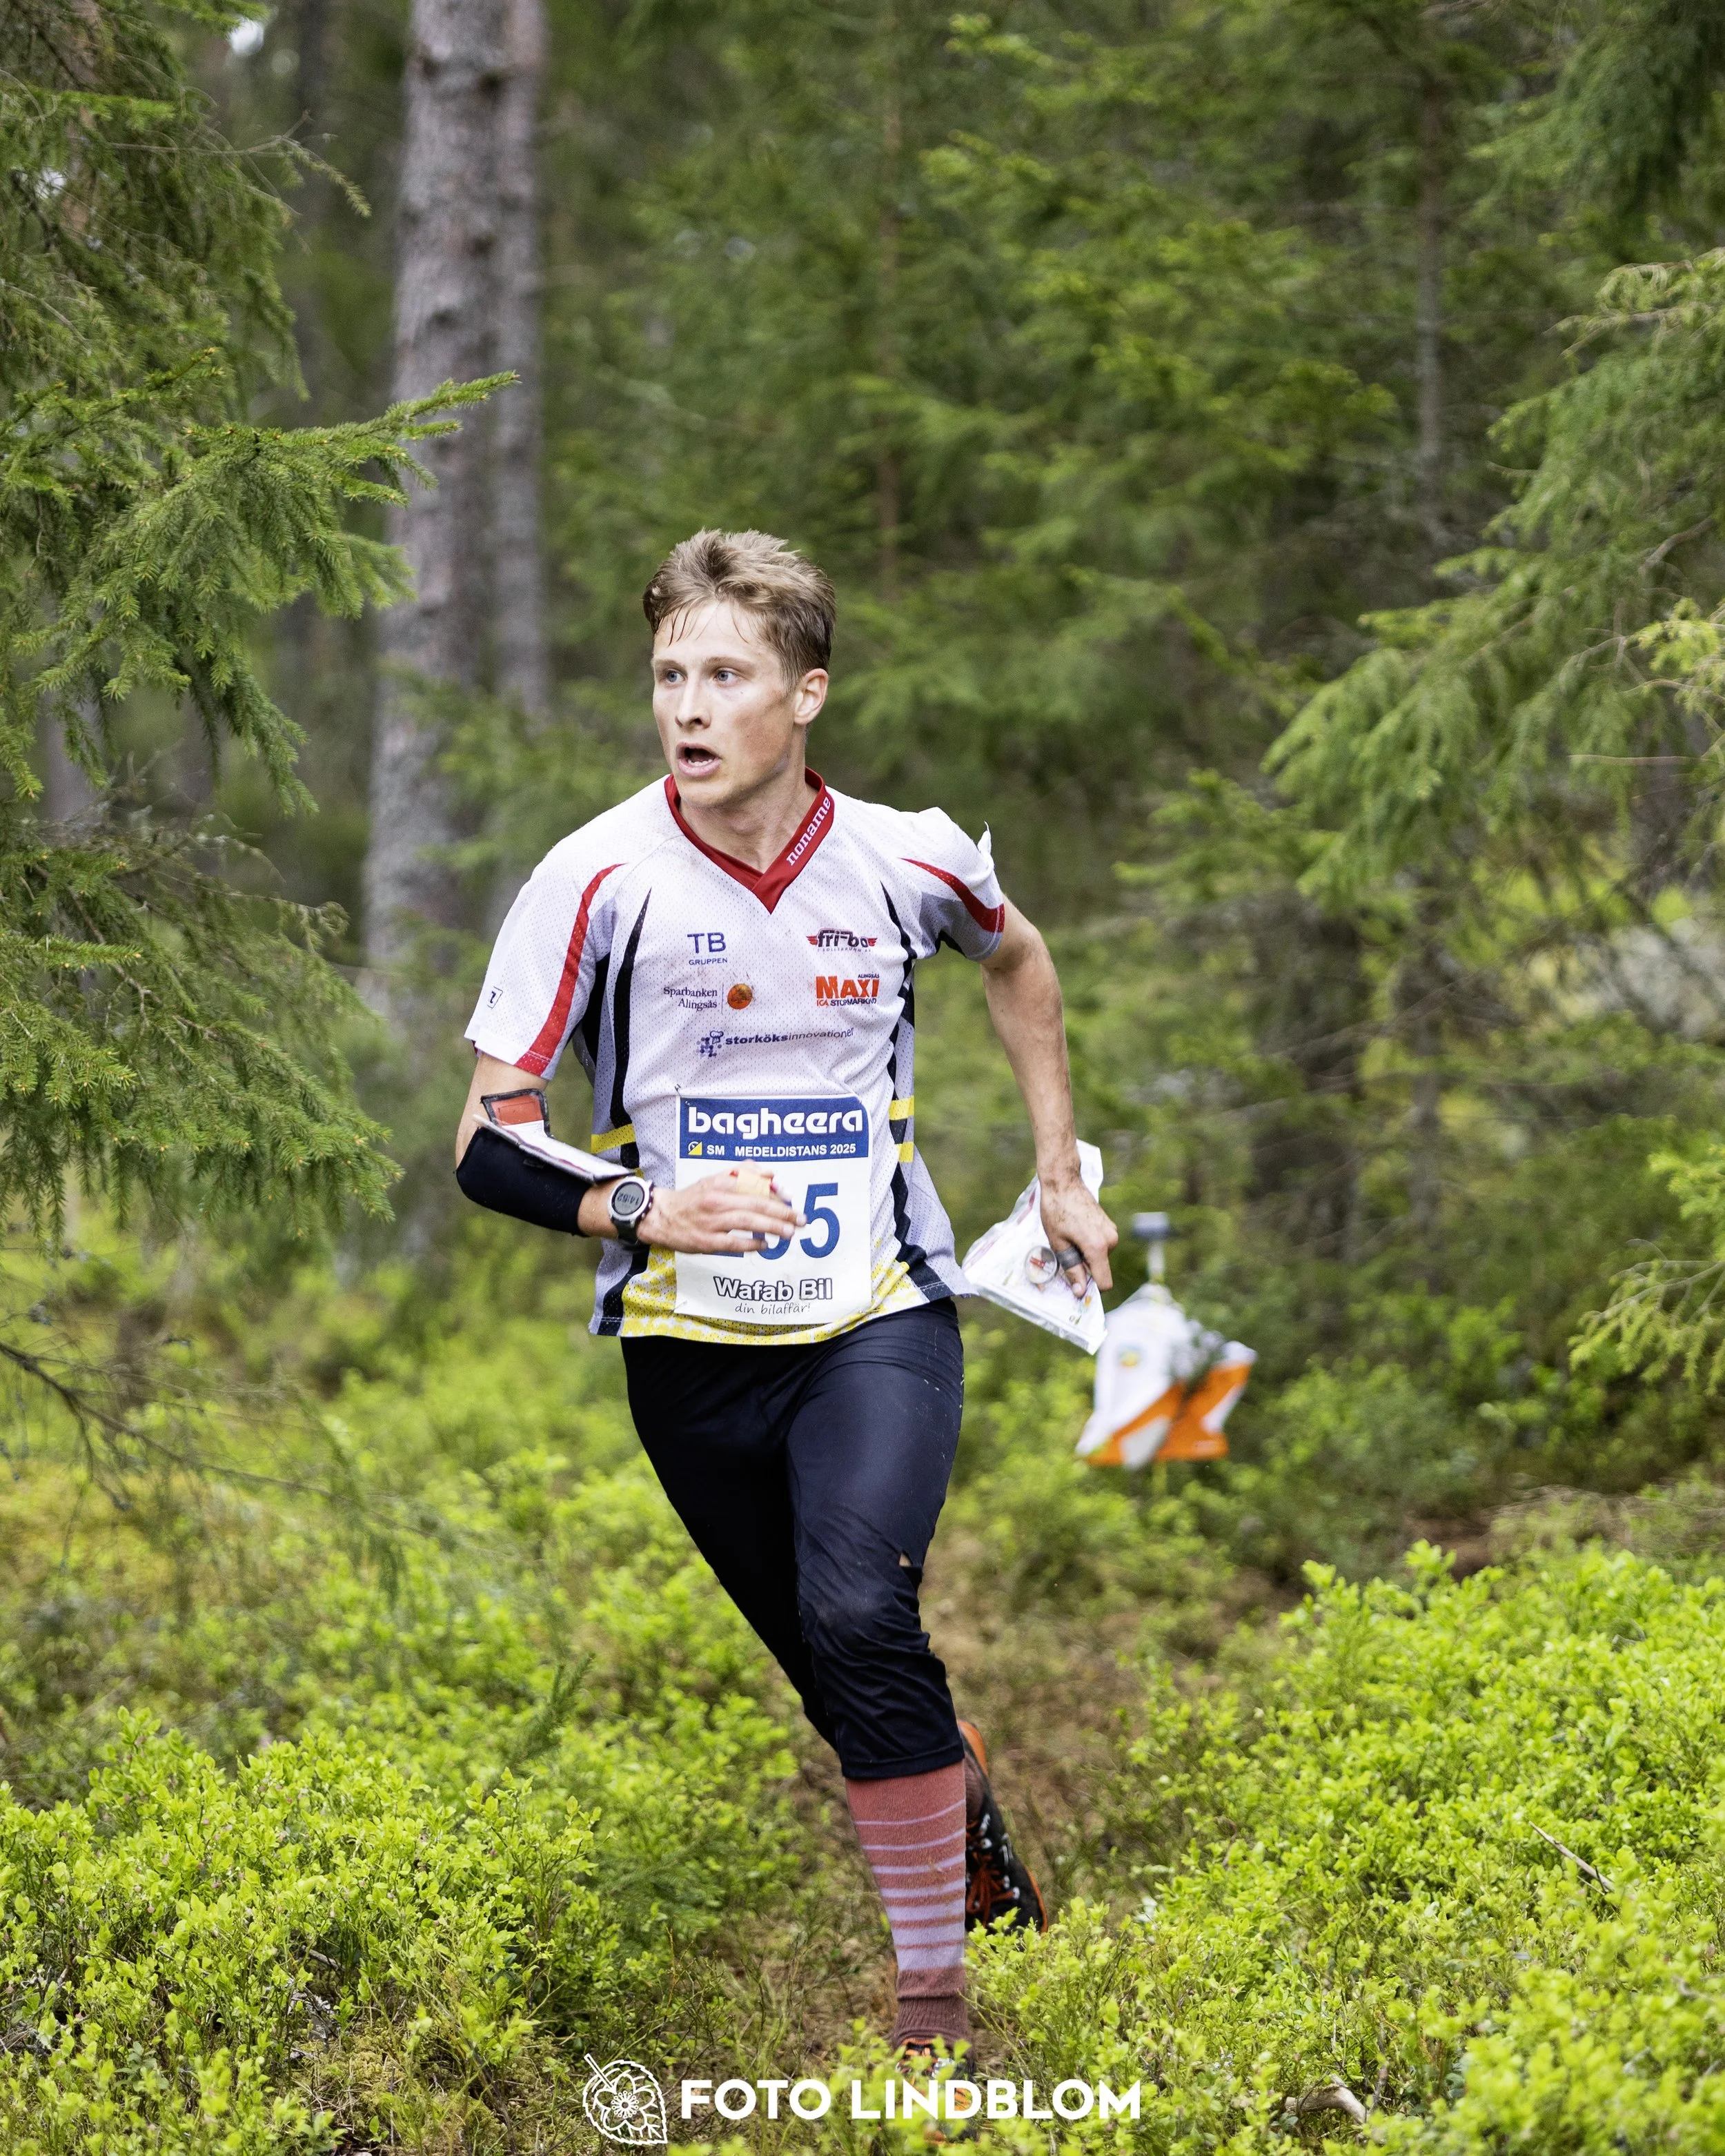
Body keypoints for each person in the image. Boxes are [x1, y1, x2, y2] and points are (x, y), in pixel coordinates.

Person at [454, 528, 1117, 2056]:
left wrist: (1058, 1171)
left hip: (877, 1311)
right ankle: (966, 1817)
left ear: (804, 693)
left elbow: (1018, 961)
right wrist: (641, 1203)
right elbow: (487, 1140)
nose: (688, 708)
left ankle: (938, 2015)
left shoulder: (906, 858)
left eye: (726, 675)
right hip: (690, 1349)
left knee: (857, 1607)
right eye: (667, 675)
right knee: (842, 1673)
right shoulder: (593, 876)